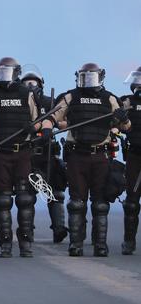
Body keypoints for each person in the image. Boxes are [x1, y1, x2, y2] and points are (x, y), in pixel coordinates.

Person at [41, 63, 129, 257]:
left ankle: (100, 245)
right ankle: (76, 244)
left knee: (100, 204)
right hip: (76, 156)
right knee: (77, 202)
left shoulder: (110, 99)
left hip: (100, 156)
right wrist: (47, 129)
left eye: (92, 77)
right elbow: (52, 117)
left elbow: (125, 126)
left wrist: (123, 119)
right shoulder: (70, 97)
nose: (88, 81)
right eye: (84, 77)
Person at [0, 57, 47, 258]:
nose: (3, 77)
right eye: (1, 72)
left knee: (25, 199)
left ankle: (25, 243)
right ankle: (5, 243)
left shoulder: (27, 94)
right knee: (3, 199)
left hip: (23, 151)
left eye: (7, 72)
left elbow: (38, 121)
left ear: (16, 74)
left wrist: (33, 127)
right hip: (0, 153)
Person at [21, 70, 68, 243]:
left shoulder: (51, 102)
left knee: (56, 192)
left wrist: (53, 124)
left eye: (34, 83)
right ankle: (27, 230)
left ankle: (59, 228)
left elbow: (66, 121)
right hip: (28, 153)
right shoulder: (20, 103)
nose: (31, 87)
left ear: (41, 85)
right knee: (27, 195)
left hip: (48, 152)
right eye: (27, 83)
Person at [121, 66, 141, 255]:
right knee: (132, 202)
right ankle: (129, 241)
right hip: (135, 155)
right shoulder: (126, 102)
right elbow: (116, 125)